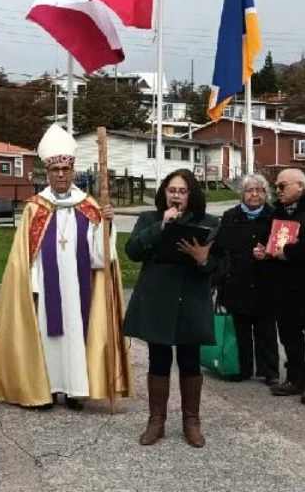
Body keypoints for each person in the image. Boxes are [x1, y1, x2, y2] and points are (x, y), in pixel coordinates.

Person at [0, 124, 129, 410]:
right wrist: (32, 286)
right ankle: (45, 389)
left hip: (78, 287)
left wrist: (106, 226)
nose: (60, 174)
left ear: (73, 171)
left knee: (77, 333)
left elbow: (101, 257)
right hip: (45, 290)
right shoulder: (35, 208)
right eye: (55, 170)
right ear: (47, 173)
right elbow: (24, 256)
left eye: (65, 169)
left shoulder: (90, 206)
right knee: (47, 335)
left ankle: (75, 390)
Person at [122, 169, 223, 448]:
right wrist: (161, 228)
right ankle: (156, 421)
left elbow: (223, 266)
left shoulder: (209, 222)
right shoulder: (149, 218)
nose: (176, 195)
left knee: (190, 361)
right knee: (158, 360)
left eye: (182, 190)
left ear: (191, 194)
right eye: (171, 190)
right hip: (158, 299)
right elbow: (132, 251)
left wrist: (204, 259)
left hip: (191, 299)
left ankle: (192, 422)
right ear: (164, 193)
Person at [255, 168, 305, 406]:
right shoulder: (277, 212)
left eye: (282, 186)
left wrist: (288, 252)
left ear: (300, 186)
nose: (277, 191)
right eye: (276, 186)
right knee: (288, 331)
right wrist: (263, 251)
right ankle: (294, 376)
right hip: (283, 283)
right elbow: (268, 238)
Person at [213, 174, 279, 385]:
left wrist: (268, 253)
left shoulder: (275, 216)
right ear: (242, 194)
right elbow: (221, 247)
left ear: (266, 193)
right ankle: (242, 368)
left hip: (266, 281)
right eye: (250, 190)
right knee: (240, 328)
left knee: (266, 329)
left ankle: (269, 371)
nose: (254, 194)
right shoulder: (230, 216)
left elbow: (282, 245)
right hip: (237, 281)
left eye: (259, 190)